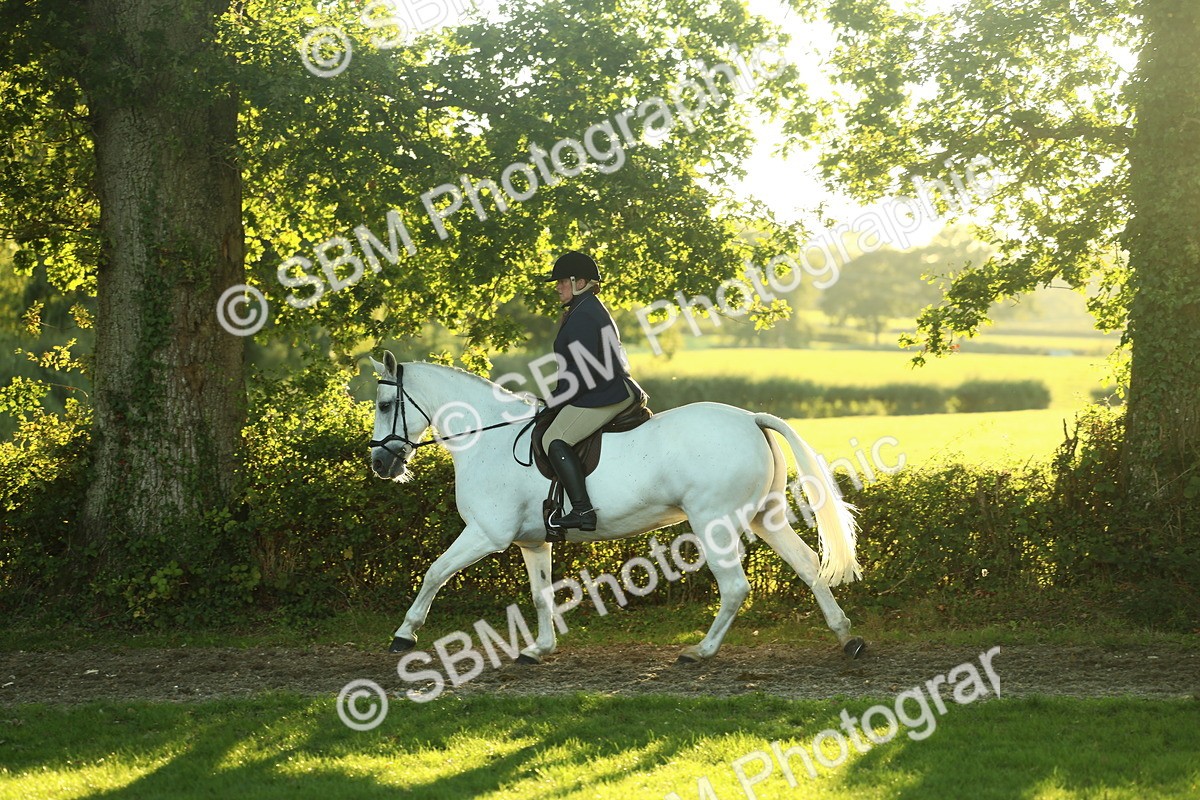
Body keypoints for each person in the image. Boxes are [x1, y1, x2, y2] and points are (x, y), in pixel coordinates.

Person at [541, 250, 642, 531]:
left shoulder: (584, 314)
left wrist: (554, 401)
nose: (557, 287)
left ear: (581, 282)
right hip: (599, 387)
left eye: (562, 281)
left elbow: (582, 372)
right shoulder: (582, 309)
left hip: (604, 391)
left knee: (554, 439)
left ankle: (583, 510)